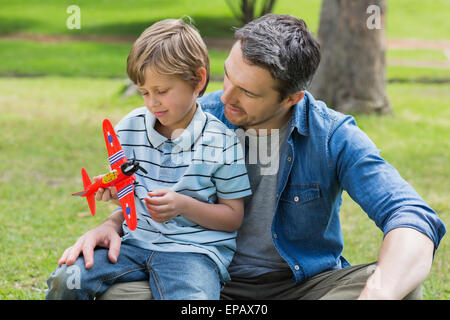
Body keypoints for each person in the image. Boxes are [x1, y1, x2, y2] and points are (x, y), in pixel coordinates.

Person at [57, 14, 446, 300]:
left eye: (248, 92)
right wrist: (113, 223)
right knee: (106, 292)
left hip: (301, 287)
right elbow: (151, 179)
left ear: (291, 97)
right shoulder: (194, 113)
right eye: (227, 75)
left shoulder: (332, 136)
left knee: (402, 288)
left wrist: (379, 292)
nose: (225, 96)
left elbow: (411, 215)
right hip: (203, 278)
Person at [46, 18, 252, 300]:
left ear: (198, 80)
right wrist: (115, 193)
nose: (152, 102)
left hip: (192, 253)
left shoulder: (222, 141)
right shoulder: (128, 128)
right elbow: (129, 194)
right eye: (144, 92)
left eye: (162, 91)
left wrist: (182, 205)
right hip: (133, 244)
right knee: (66, 279)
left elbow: (233, 217)